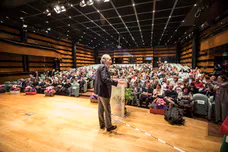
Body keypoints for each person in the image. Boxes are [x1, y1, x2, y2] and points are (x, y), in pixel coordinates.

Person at [94, 54, 122, 132]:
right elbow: (105, 78)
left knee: (100, 108)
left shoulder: (100, 66)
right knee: (107, 109)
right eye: (109, 59)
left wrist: (111, 73)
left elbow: (104, 75)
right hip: (104, 91)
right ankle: (108, 126)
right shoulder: (104, 67)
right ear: (105, 60)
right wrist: (116, 82)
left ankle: (102, 124)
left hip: (99, 91)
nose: (111, 61)